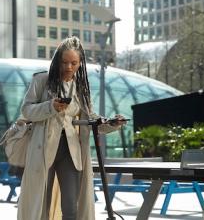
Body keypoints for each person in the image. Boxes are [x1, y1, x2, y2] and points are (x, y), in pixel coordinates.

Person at [17, 36, 127, 220]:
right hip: (43, 150)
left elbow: (90, 118)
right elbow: (27, 111)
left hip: (71, 151)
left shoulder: (81, 86)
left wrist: (111, 123)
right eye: (64, 62)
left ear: (80, 63)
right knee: (40, 203)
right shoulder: (41, 80)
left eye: (74, 63)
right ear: (57, 61)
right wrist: (50, 107)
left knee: (71, 206)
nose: (69, 67)